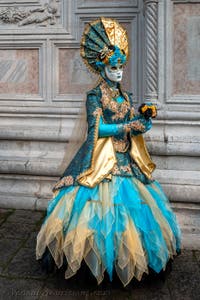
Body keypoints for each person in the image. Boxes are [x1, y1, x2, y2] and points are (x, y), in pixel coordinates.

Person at [36, 17, 181, 288]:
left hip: (126, 159)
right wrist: (126, 125)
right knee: (98, 211)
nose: (118, 72)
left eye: (121, 67)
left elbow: (128, 123)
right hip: (102, 162)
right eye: (113, 67)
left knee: (134, 211)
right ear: (103, 67)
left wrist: (142, 121)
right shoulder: (94, 96)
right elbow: (97, 128)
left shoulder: (124, 96)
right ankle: (93, 263)